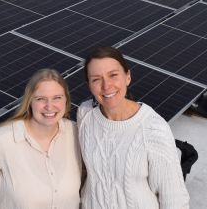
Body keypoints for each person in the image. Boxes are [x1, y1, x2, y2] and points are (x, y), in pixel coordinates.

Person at [0, 68, 82, 209]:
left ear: (66, 100)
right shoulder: (2, 141)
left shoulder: (75, 133)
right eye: (40, 99)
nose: (49, 106)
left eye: (57, 97)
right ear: (29, 101)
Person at [77, 46, 190, 209]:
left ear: (128, 77)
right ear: (89, 85)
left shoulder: (153, 128)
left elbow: (174, 198)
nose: (106, 86)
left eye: (113, 75)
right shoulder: (85, 114)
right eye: (96, 79)